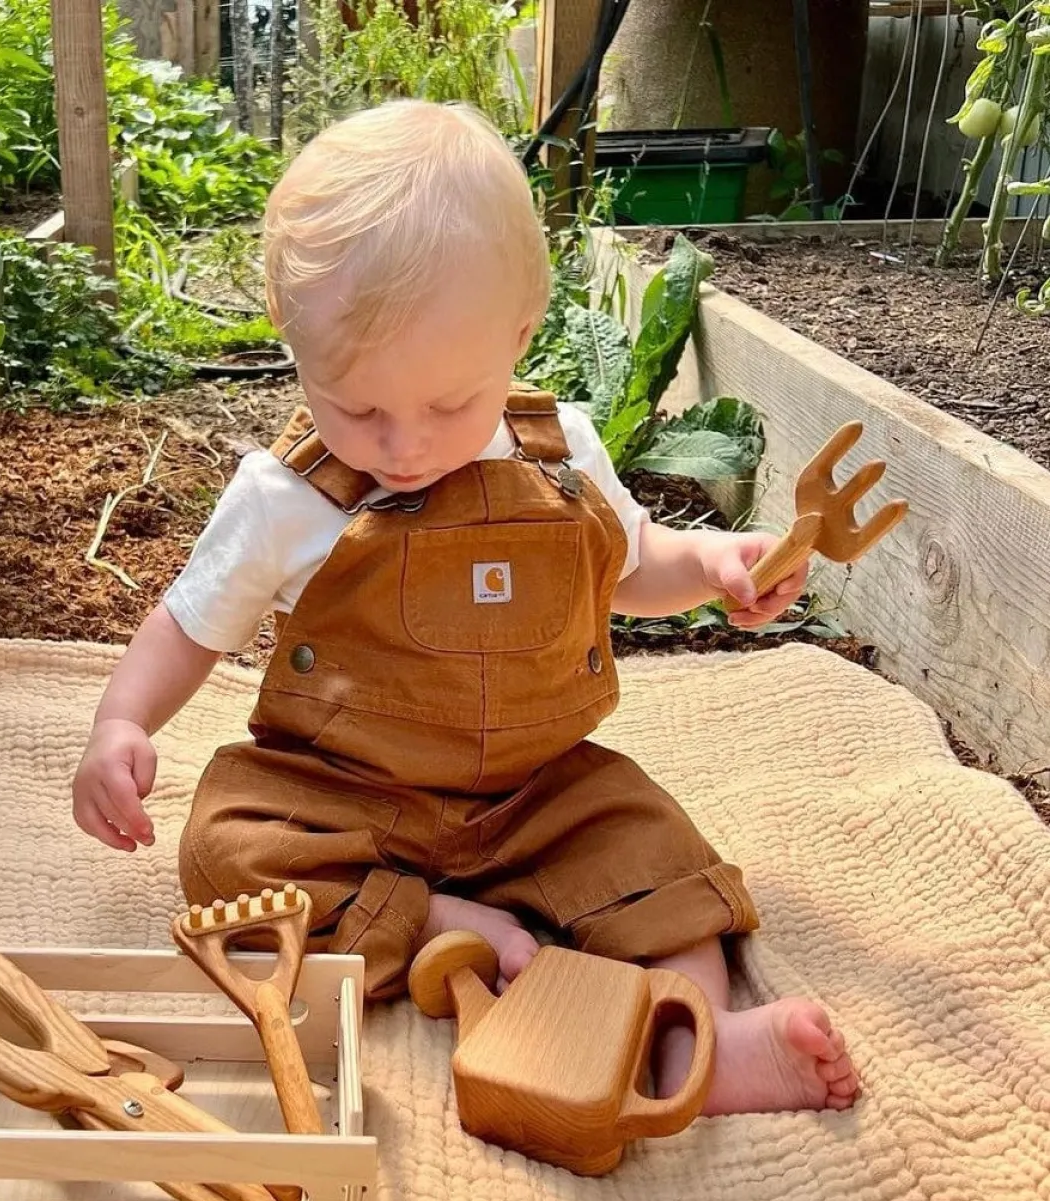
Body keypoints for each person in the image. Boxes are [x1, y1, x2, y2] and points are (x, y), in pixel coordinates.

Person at [72, 100, 858, 1116]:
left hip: (536, 794)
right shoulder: (285, 498)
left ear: (518, 335)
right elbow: (186, 622)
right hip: (344, 800)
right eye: (354, 407)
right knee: (224, 851)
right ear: (290, 338)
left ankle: (685, 1043)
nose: (402, 444)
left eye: (449, 405)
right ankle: (429, 916)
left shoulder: (560, 455)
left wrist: (712, 563)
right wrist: (120, 721)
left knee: (652, 850)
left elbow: (630, 567)